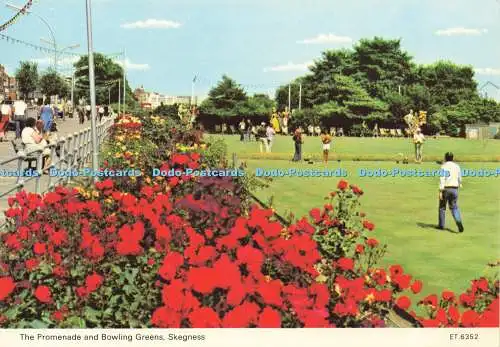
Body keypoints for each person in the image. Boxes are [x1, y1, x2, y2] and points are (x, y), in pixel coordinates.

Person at [438, 152, 464, 233]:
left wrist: (440, 191)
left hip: (446, 188)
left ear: (445, 158)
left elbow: (442, 179)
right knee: (454, 208)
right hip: (455, 189)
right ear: (452, 158)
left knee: (442, 207)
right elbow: (460, 177)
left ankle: (441, 225)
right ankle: (458, 221)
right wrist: (459, 183)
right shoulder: (457, 166)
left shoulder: (443, 166)